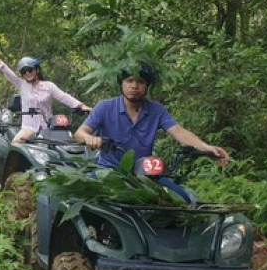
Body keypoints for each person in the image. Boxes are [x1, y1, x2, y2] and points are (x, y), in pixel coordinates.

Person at [73, 62, 230, 202]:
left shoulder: (156, 110)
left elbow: (179, 131)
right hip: (108, 170)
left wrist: (207, 148)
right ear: (121, 84)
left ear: (147, 86)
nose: (134, 86)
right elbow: (80, 133)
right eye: (129, 80)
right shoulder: (105, 107)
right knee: (84, 198)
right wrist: (89, 138)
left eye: (140, 82)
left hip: (146, 174)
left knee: (183, 200)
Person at [0, 43, 91, 144]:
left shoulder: (49, 86)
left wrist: (81, 106)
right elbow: (7, 71)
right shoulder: (22, 85)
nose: (27, 73)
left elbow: (64, 97)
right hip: (29, 128)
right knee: (16, 144)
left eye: (30, 70)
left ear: (37, 70)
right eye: (24, 71)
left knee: (68, 143)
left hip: (48, 127)